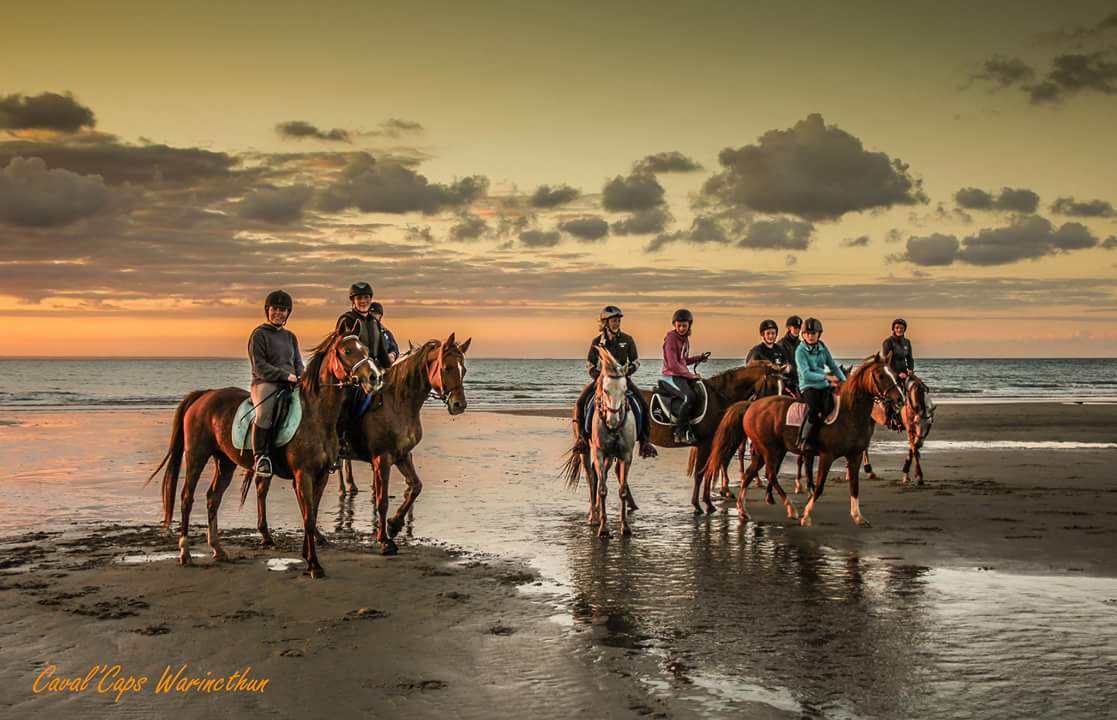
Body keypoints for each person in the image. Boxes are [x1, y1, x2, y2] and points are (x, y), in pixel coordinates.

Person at [573, 306, 657, 458]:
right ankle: (582, 439)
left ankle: (645, 442)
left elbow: (636, 361)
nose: (616, 323)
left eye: (618, 320)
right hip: (602, 382)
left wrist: (625, 373)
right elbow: (590, 364)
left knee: (643, 404)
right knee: (580, 402)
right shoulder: (597, 342)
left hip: (623, 381)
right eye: (613, 320)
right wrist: (599, 378)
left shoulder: (627, 340)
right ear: (605, 322)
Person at [333, 282, 393, 463]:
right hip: (354, 374)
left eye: (366, 298)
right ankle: (340, 441)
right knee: (350, 401)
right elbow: (341, 349)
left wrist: (390, 370)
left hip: (374, 371)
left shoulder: (374, 322)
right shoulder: (346, 319)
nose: (363, 301)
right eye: (359, 298)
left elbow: (382, 352)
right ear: (353, 300)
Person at [248, 290, 304, 479]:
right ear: (268, 310)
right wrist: (284, 376)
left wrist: (302, 376)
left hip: (290, 382)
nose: (278, 313)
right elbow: (260, 365)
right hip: (265, 382)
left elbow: (298, 362)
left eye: (283, 310)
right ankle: (260, 457)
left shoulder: (290, 337)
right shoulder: (258, 335)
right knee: (264, 412)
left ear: (288, 313)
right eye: (275, 309)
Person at [794, 317, 845, 453]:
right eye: (807, 334)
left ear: (819, 334)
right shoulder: (800, 351)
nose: (810, 336)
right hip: (808, 386)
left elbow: (833, 366)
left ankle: (824, 436)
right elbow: (806, 374)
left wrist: (845, 382)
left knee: (831, 406)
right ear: (803, 335)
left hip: (823, 385)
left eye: (813, 333)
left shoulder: (822, 347)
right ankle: (803, 440)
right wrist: (826, 377)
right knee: (813, 409)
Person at [661, 308, 710, 444]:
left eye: (684, 325)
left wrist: (699, 358)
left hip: (681, 375)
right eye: (679, 325)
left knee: (700, 392)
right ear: (674, 324)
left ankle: (693, 427)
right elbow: (672, 364)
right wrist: (690, 375)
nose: (682, 328)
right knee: (689, 397)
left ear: (689, 325)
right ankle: (679, 432)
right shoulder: (671, 339)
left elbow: (683, 361)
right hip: (669, 376)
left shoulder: (685, 339)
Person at [881, 318, 914, 386]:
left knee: (918, 386)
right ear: (893, 329)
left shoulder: (907, 342)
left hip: (905, 372)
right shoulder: (888, 342)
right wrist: (897, 373)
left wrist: (910, 369)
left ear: (904, 329)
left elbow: (910, 358)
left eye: (902, 328)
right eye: (897, 328)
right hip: (891, 372)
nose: (899, 330)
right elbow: (886, 362)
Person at [778, 315, 802, 396]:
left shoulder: (801, 344)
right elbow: (782, 366)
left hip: (800, 381)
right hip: (787, 382)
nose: (797, 330)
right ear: (789, 328)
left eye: (799, 328)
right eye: (795, 327)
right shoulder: (781, 344)